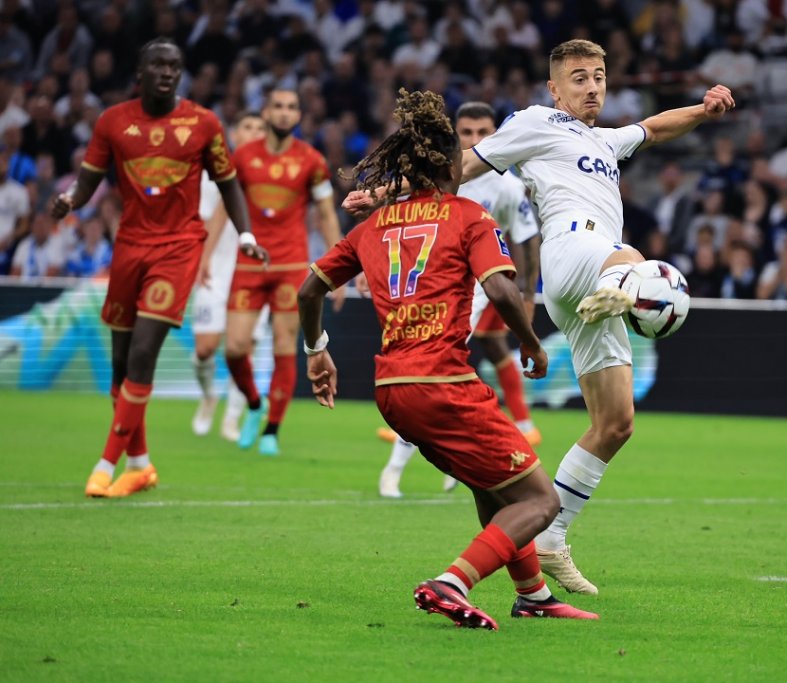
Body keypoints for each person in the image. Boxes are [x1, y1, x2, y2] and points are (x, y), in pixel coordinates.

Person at [344, 38, 735, 594]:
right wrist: (389, 192)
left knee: (616, 423)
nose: (592, 86)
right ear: (555, 87)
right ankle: (629, 285)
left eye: (599, 76)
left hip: (584, 283)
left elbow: (654, 128)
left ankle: (552, 539)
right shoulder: (536, 121)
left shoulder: (603, 140)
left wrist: (704, 108)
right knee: (639, 263)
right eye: (579, 77)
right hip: (575, 251)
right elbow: (465, 167)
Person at [299, 89, 597, 629]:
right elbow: (504, 293)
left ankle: (531, 594)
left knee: (493, 483)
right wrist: (530, 343)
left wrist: (317, 352)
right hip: (444, 382)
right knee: (541, 501)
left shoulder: (373, 227)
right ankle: (452, 582)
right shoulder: (468, 215)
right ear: (451, 163)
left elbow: (308, 291)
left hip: (392, 392)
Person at [52, 38, 268, 498]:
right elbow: (89, 180)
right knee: (120, 364)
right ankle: (141, 464)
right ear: (141, 71)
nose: (168, 73)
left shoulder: (203, 122)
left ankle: (105, 462)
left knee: (144, 353)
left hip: (179, 246)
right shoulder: (113, 121)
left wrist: (246, 235)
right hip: (129, 247)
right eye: (159, 65)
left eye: (175, 66)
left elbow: (228, 184)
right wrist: (70, 200)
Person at [376, 100, 543, 499]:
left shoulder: (507, 186)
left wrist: (529, 296)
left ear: (495, 134)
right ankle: (458, 463)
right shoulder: (438, 178)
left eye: (483, 133)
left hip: (473, 296)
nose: (474, 140)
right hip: (423, 289)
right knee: (438, 381)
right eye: (466, 133)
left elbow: (526, 242)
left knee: (428, 374)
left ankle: (395, 470)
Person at [224, 88, 342, 457]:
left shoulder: (311, 160)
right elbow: (225, 204)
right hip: (249, 262)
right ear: (267, 111)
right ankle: (254, 403)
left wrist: (338, 268)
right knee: (234, 348)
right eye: (278, 106)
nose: (285, 112)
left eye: (292, 107)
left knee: (282, 349)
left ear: (299, 115)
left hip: (291, 264)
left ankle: (272, 429)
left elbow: (325, 215)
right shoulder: (242, 157)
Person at [189, 111, 268, 439]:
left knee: (242, 350)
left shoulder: (269, 175)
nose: (253, 133)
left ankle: (232, 418)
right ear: (234, 134)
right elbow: (203, 222)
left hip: (252, 270)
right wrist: (199, 260)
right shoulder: (211, 176)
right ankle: (208, 396)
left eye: (260, 129)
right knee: (206, 347)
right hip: (217, 269)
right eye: (247, 126)